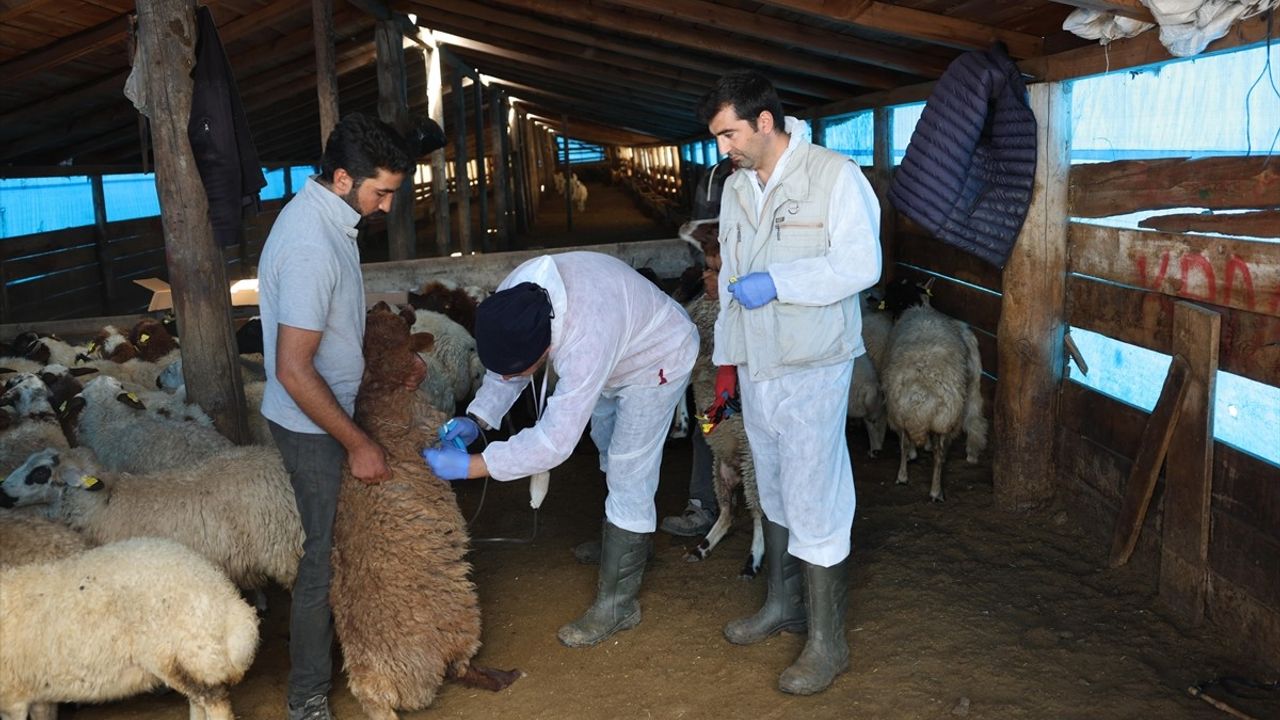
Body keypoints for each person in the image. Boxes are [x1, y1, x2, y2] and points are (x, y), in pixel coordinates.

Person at [696, 70, 881, 695]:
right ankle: (782, 604)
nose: (722, 147)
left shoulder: (834, 176)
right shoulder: (735, 188)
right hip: (756, 363)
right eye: (717, 137)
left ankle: (829, 643)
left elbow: (862, 263)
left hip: (812, 364)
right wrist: (727, 361)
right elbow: (730, 278)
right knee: (771, 485)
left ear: (765, 121)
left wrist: (781, 283)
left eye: (729, 134)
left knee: (815, 494)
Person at [423, 251, 699, 648]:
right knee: (606, 442)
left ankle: (618, 605)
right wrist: (478, 418)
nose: (513, 376)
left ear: (544, 351)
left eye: (523, 369)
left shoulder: (584, 337)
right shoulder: (514, 298)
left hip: (657, 356)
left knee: (629, 468)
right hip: (615, 344)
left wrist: (475, 466)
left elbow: (555, 442)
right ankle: (623, 546)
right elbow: (507, 369)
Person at [258, 112, 413, 720]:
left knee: (342, 544)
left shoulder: (332, 219)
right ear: (344, 178)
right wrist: (357, 443)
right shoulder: (309, 246)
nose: (387, 206)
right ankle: (307, 697)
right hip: (311, 423)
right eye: (382, 192)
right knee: (322, 557)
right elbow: (294, 370)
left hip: (330, 407)